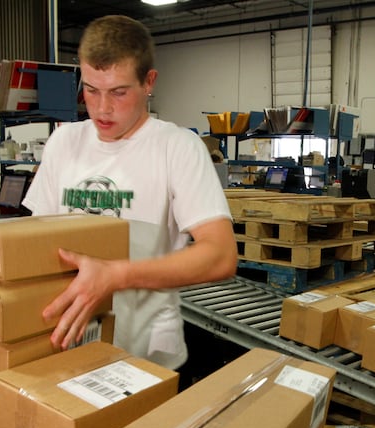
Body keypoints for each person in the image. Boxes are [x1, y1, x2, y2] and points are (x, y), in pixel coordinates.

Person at [22, 15, 237, 371]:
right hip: (69, 345)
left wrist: (115, 275)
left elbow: (220, 255)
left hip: (147, 356)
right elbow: (35, 240)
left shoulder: (177, 147)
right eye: (91, 89)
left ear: (148, 82)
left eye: (119, 92)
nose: (102, 108)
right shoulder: (64, 141)